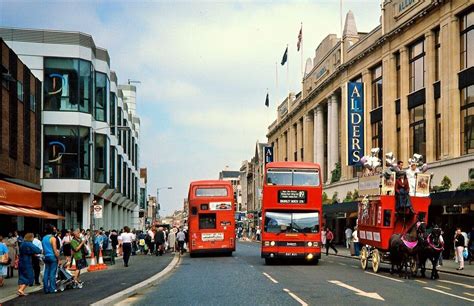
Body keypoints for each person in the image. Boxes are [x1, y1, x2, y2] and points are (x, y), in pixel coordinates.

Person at [42, 224, 60, 294]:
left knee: (46, 272)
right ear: (52, 230)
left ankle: (46, 289)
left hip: (46, 256)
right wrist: (58, 259)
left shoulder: (43, 238)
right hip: (52, 256)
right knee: (52, 273)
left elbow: (43, 249)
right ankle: (52, 288)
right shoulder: (53, 238)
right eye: (54, 229)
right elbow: (55, 250)